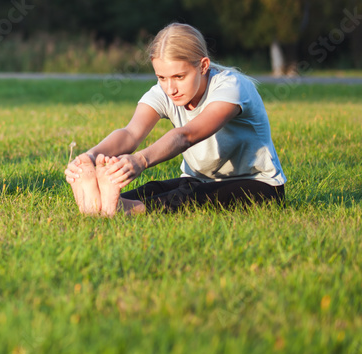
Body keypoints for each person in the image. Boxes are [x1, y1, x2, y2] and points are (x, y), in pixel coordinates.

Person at [65, 23, 286, 216]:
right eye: (161, 77)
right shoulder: (164, 92)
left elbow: (186, 136)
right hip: (198, 180)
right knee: (154, 189)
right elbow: (131, 133)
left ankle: (122, 209)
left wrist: (140, 161)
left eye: (179, 77)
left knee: (192, 197)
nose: (170, 88)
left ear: (203, 66)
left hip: (259, 184)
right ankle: (99, 204)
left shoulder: (232, 88)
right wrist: (91, 157)